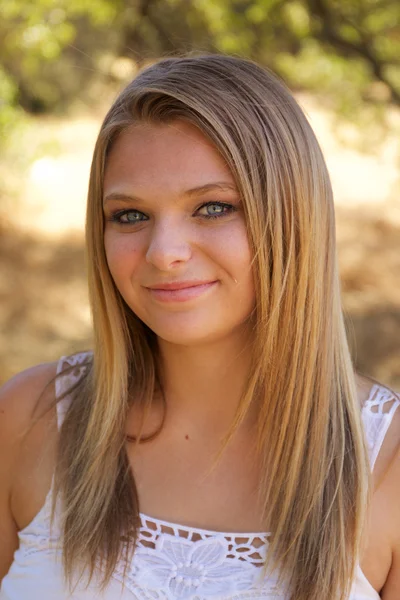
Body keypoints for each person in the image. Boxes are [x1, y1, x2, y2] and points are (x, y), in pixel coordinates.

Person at [0, 54, 399, 600]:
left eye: (212, 208)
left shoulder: (388, 464)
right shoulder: (29, 420)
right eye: (130, 216)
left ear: (292, 216)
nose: (163, 254)